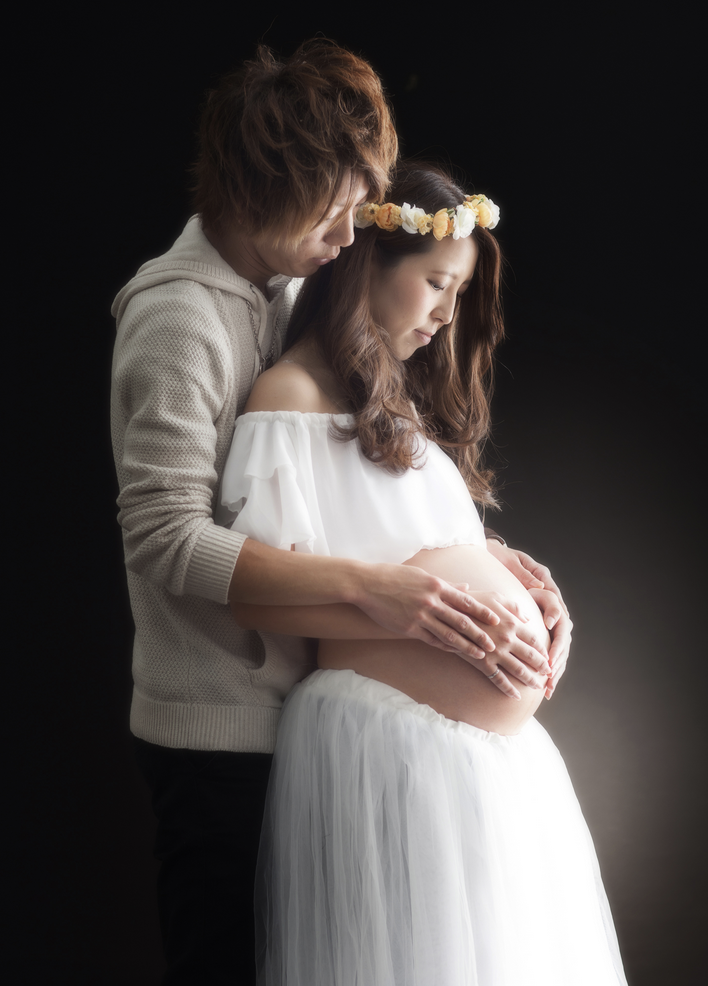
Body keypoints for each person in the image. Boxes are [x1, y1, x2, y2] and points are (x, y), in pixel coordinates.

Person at [111, 39, 567, 983]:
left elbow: (341, 486)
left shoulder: (286, 291)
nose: (353, 230)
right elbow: (164, 536)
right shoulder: (179, 319)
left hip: (308, 716)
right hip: (222, 732)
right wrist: (382, 593)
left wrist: (481, 557)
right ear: (265, 184)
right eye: (337, 205)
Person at [221, 163, 626, 984]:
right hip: (382, 746)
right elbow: (260, 593)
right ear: (369, 264)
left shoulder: (390, 403)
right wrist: (422, 613)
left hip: (479, 762)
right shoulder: (288, 397)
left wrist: (516, 580)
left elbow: (406, 537)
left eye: (460, 292)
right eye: (437, 283)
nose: (447, 314)